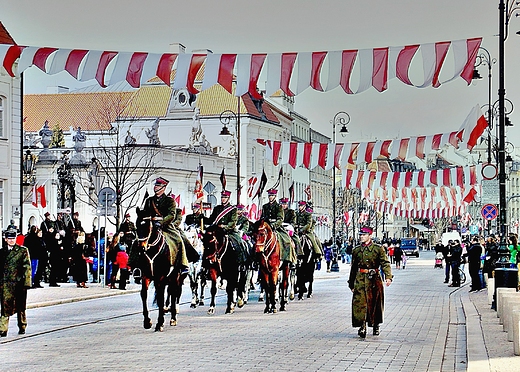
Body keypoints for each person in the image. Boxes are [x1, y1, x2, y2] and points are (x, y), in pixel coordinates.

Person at [348, 226, 392, 338]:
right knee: (359, 303)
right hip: (360, 279)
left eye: (364, 235)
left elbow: (385, 263)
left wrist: (388, 276)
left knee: (375, 303)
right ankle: (362, 326)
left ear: (370, 236)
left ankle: (376, 325)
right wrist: (351, 283)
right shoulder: (356, 250)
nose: (361, 237)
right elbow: (353, 268)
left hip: (374, 279)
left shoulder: (378, 249)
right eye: (360, 235)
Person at [142, 177, 190, 274]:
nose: (155, 187)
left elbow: (171, 215)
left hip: (165, 226)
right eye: (155, 185)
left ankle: (183, 264)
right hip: (150, 225)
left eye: (158, 186)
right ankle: (134, 265)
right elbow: (145, 213)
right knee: (138, 241)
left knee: (178, 240)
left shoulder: (170, 201)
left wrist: (161, 222)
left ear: (163, 188)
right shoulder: (149, 200)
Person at [0, 229, 32, 337]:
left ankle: (22, 325)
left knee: (20, 306)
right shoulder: (2, 252)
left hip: (19, 284)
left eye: (13, 238)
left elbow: (27, 267)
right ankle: (3, 329)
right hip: (6, 284)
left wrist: (27, 283)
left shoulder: (22, 251)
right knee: (5, 307)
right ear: (5, 239)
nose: (11, 240)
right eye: (9, 239)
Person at [261, 189, 296, 265]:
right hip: (266, 227)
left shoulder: (279, 207)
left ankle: (288, 259)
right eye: (269, 195)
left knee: (287, 241)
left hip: (276, 227)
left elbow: (280, 219)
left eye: (272, 195)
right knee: (258, 241)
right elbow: (262, 218)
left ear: (275, 196)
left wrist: (273, 225)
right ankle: (256, 261)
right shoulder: (265, 206)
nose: (270, 197)